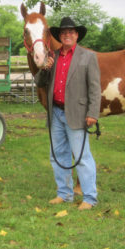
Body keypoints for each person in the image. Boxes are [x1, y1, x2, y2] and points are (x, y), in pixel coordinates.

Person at [35, 17, 101, 210]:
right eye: (64, 33)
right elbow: (39, 81)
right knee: (57, 155)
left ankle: (89, 197)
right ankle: (64, 194)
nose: (67, 35)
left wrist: (93, 113)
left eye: (71, 32)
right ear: (60, 36)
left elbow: (95, 89)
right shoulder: (53, 56)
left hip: (77, 114)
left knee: (82, 157)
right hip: (55, 112)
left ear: (77, 35)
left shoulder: (87, 57)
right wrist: (45, 68)